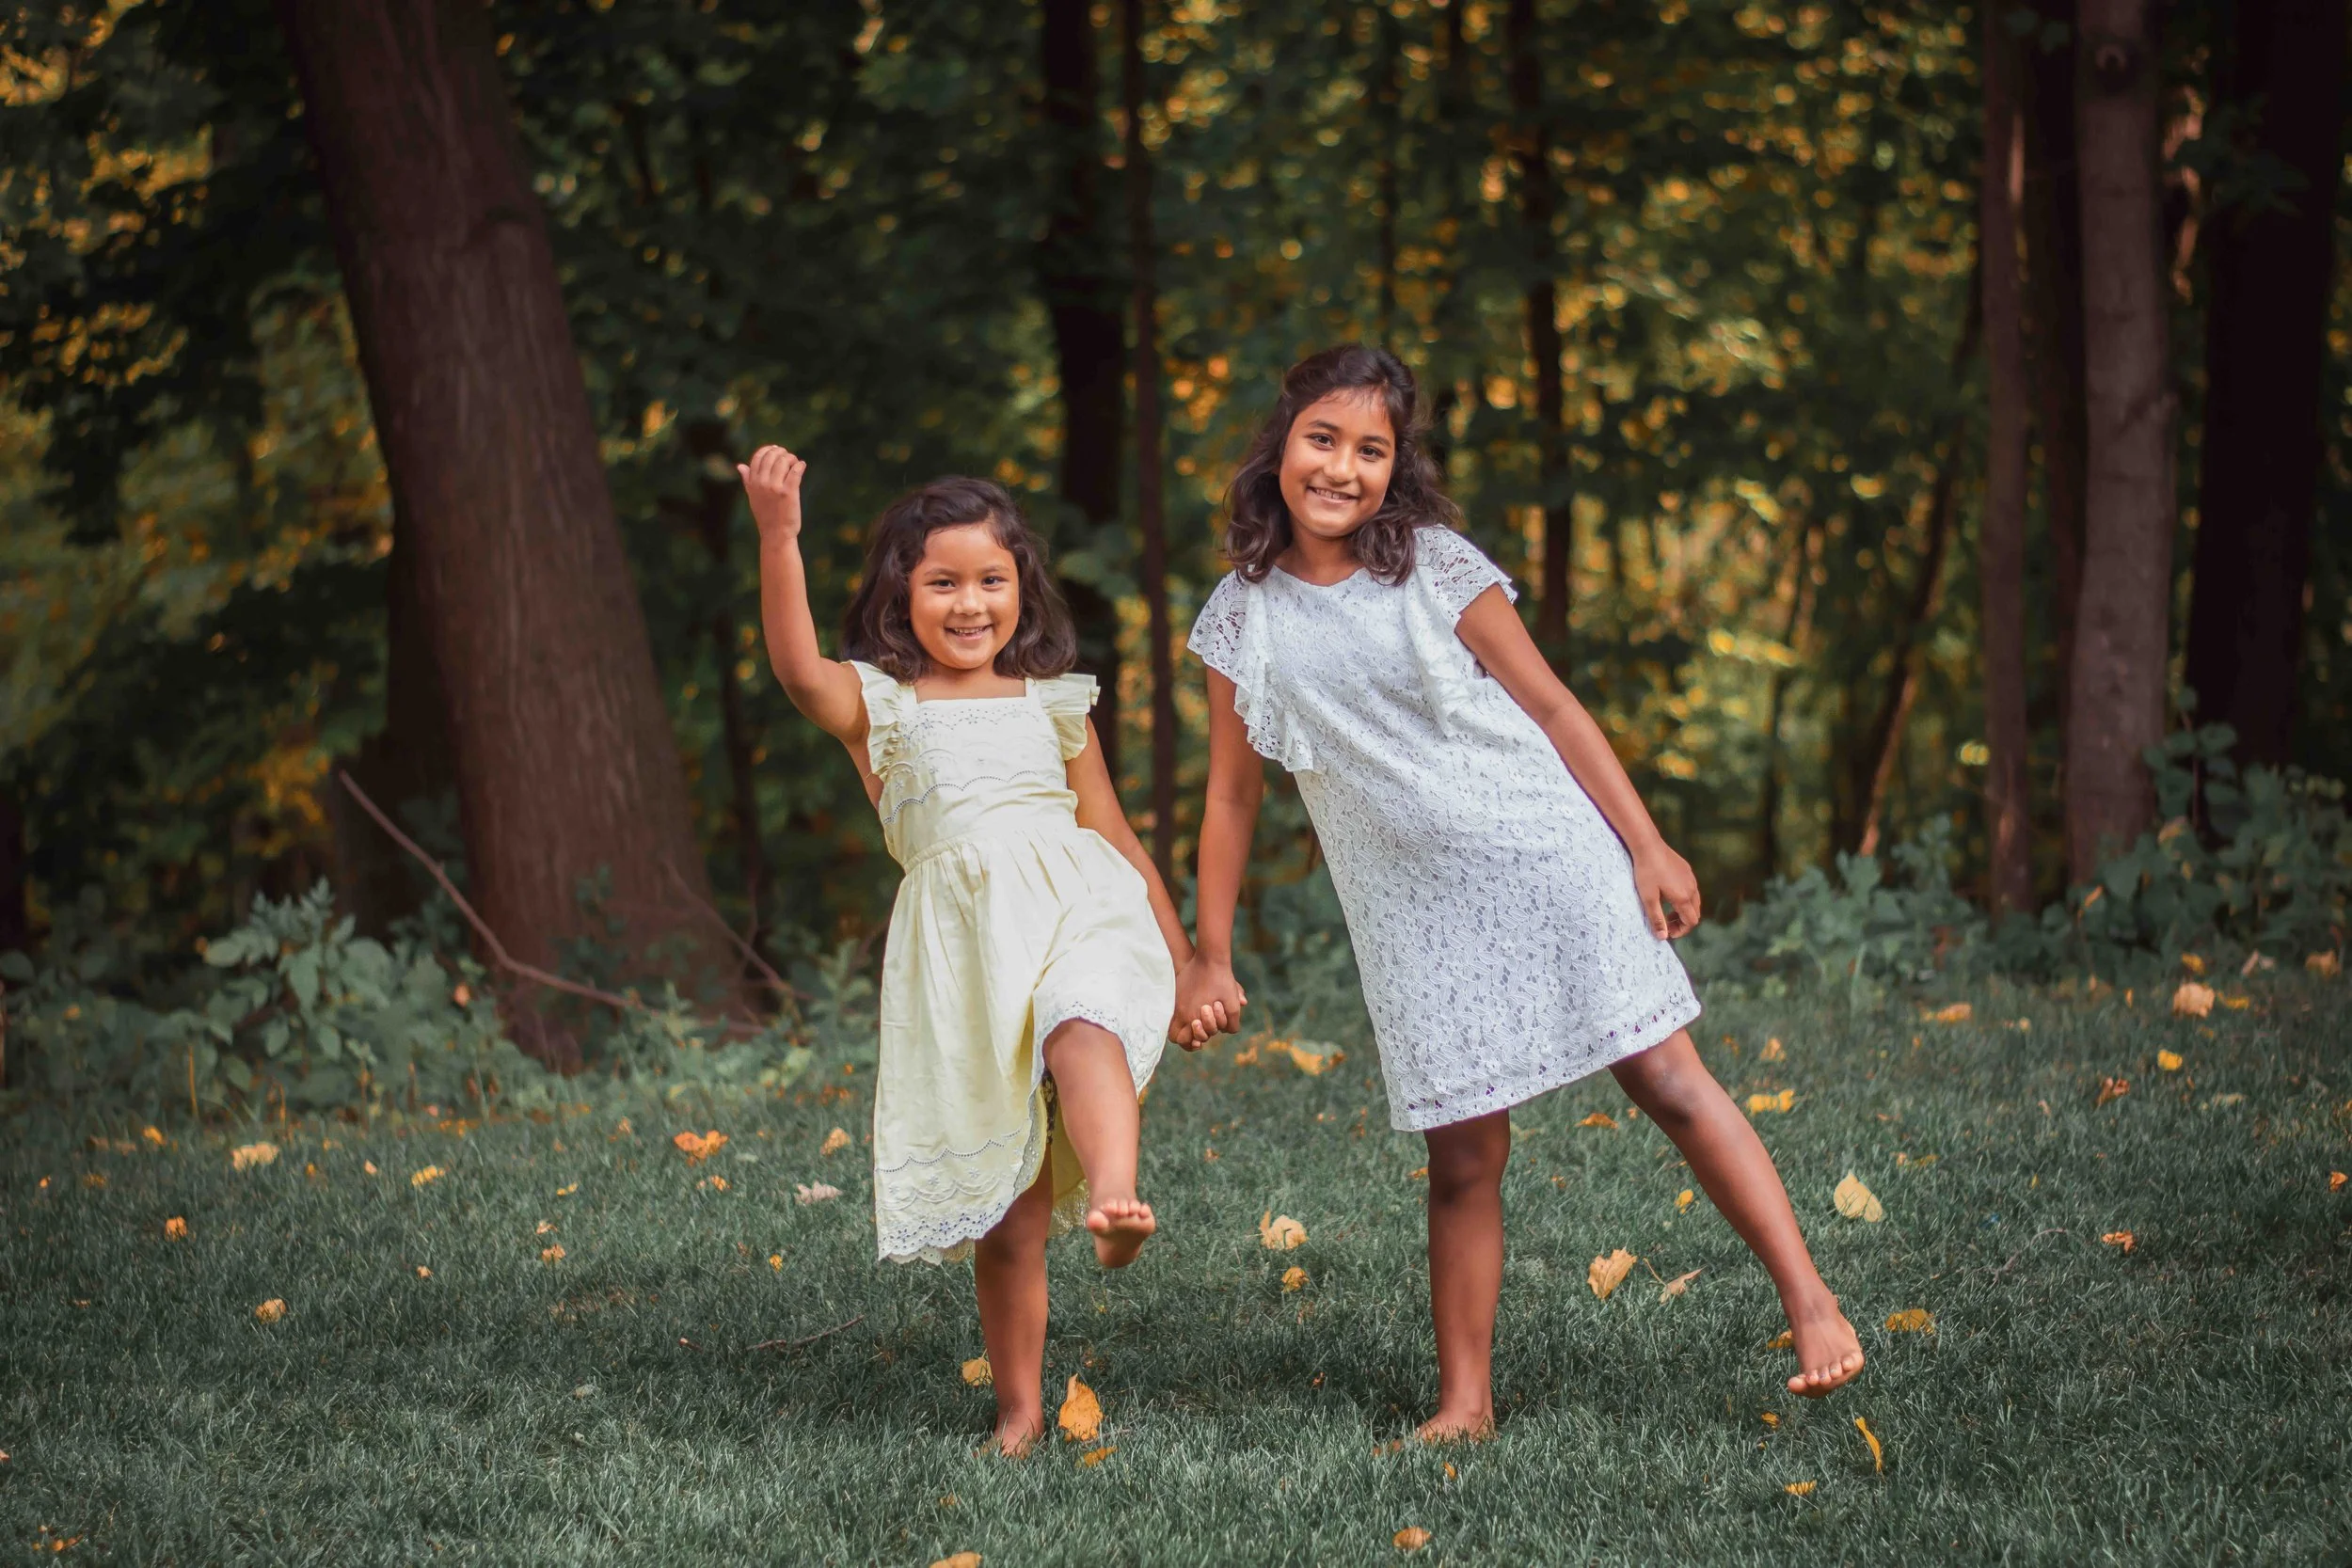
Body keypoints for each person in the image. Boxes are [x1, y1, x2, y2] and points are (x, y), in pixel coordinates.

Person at [1175, 345, 1864, 1441]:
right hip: (1408, 912)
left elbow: (1553, 707)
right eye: (1322, 439)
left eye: (1370, 449)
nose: (1341, 468)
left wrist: (1645, 844)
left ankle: (1811, 1301)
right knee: (1461, 1151)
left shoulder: (1435, 567)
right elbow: (1228, 797)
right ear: (1279, 444)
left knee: (1667, 1077)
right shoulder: (1238, 614)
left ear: (1396, 469)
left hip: (1542, 855)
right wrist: (1206, 951)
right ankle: (1465, 1400)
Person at [742, 448, 1202, 1455]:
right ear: (899, 593)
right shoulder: (882, 705)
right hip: (968, 959)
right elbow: (792, 667)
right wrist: (780, 535)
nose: (968, 603)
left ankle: (1120, 1200)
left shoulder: (1051, 701)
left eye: (990, 580)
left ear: (1021, 589)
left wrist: (1190, 961)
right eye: (942, 582)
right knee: (1010, 1210)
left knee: (1084, 1024)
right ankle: (1019, 1409)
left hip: (1082, 908)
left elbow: (1118, 836)